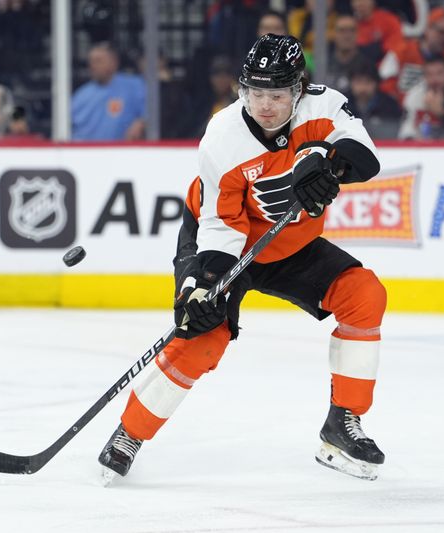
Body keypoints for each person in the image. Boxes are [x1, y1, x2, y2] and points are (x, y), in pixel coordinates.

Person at [98, 34, 387, 483]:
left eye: (276, 94)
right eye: (255, 93)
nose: (265, 105)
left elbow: (365, 156)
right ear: (242, 90)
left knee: (363, 294)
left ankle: (342, 424)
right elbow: (220, 224)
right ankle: (129, 434)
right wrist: (202, 280)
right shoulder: (223, 136)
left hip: (291, 246)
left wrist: (328, 162)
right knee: (202, 336)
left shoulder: (325, 106)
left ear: (298, 91)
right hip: (222, 240)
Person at [379, 7, 444, 102]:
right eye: (442, 32)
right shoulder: (401, 50)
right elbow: (385, 81)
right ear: (428, 29)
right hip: (400, 110)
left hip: (440, 109)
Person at [71, 42, 146, 141]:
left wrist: (140, 123)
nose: (93, 66)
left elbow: (151, 113)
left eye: (98, 61)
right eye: (90, 62)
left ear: (114, 62)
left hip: (122, 152)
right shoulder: (80, 95)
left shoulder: (134, 85)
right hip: (86, 153)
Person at [346, 60, 402, 139]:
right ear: (351, 83)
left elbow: (393, 134)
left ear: (376, 83)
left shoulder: (390, 105)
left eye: (368, 82)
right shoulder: (342, 105)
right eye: (358, 82)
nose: (363, 88)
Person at [351, 0, 404, 67]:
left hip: (384, 68)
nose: (360, 3)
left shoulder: (389, 21)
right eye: (356, 0)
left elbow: (394, 51)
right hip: (355, 69)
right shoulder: (349, 25)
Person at [324, 14, 365, 95]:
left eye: (352, 30)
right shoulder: (324, 65)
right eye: (342, 30)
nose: (347, 36)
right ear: (334, 34)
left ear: (357, 34)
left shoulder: (366, 67)